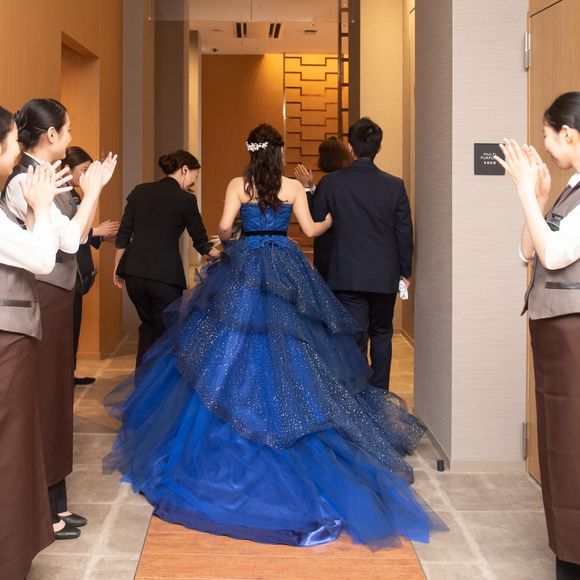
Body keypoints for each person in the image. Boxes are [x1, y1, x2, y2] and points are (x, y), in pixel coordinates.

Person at [104, 124, 443, 549]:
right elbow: (311, 231)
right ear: (279, 154)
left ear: (251, 152)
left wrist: (237, 235)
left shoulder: (238, 184)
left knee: (231, 344)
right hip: (285, 263)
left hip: (246, 262)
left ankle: (233, 416)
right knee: (291, 342)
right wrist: (329, 219)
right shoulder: (292, 187)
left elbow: (223, 228)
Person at [3, 98, 118, 540]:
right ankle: (44, 508)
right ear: (50, 135)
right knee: (45, 398)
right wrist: (92, 193)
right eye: (67, 131)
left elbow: (73, 237)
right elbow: (67, 243)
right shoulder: (25, 181)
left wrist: (89, 193)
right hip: (43, 295)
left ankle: (54, 501)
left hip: (56, 293)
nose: (70, 139)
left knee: (55, 396)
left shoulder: (46, 176)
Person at [496, 92, 580, 580]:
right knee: (558, 442)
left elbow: (554, 256)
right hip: (555, 334)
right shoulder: (571, 188)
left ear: (568, 133)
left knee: (571, 442)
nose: (545, 146)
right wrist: (538, 199)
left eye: (548, 135)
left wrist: (527, 192)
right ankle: (566, 550)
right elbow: (527, 251)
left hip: (572, 336)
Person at [0, 106, 72, 578]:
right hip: (7, 334)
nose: (15, 153)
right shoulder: (19, 186)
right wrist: (43, 209)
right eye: (10, 144)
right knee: (11, 449)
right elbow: (45, 257)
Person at [312, 117, 413, 391]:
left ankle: (358, 398)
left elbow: (317, 220)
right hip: (384, 274)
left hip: (347, 274)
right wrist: (405, 271)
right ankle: (379, 395)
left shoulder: (332, 183)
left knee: (355, 336)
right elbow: (404, 233)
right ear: (378, 148)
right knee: (382, 334)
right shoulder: (394, 185)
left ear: (350, 146)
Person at [114, 149, 218, 367]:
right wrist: (225, 255)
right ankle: (157, 385)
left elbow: (124, 234)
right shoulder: (186, 200)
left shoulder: (139, 191)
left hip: (134, 274)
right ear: (185, 170)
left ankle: (143, 383)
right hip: (165, 277)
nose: (194, 182)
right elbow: (201, 242)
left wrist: (118, 267)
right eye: (195, 176)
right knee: (165, 333)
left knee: (147, 326)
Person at [64, 146, 119, 385]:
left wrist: (100, 236)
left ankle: (71, 370)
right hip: (64, 272)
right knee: (68, 326)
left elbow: (82, 231)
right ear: (68, 169)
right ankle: (67, 373)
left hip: (75, 272)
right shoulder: (62, 195)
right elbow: (69, 234)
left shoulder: (74, 194)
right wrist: (96, 231)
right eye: (83, 170)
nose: (86, 175)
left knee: (74, 324)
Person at [294, 136, 352, 279]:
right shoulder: (347, 180)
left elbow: (315, 216)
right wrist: (312, 186)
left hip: (329, 249)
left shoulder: (328, 181)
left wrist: (305, 187)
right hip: (349, 251)